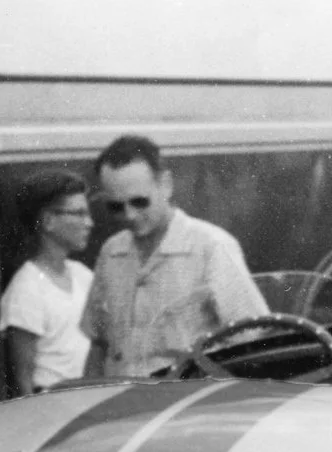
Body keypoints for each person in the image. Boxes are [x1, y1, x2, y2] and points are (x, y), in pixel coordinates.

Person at [80, 135, 267, 378]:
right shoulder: (111, 252)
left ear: (166, 185)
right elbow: (98, 344)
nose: (129, 215)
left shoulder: (211, 247)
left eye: (139, 202)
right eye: (116, 206)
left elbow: (253, 337)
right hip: (122, 395)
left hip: (185, 396)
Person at [0, 169, 96, 394]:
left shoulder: (83, 275)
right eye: (79, 214)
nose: (89, 223)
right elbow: (23, 379)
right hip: (52, 405)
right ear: (48, 221)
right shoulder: (26, 289)